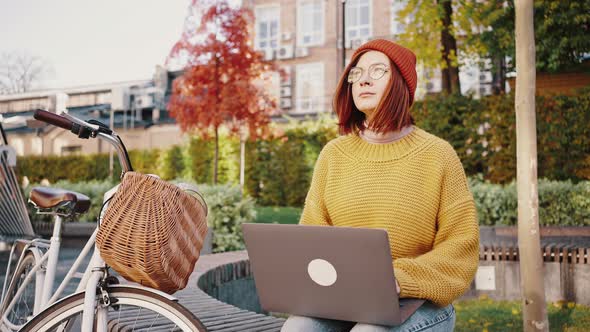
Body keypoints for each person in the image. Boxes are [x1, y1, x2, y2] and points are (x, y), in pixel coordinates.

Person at [280, 39, 480, 332]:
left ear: (401, 83)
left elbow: (460, 248)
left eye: (377, 71)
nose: (363, 80)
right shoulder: (333, 155)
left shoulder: (438, 155)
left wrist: (398, 279)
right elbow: (313, 234)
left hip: (417, 300)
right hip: (345, 297)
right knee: (297, 329)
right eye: (356, 73)